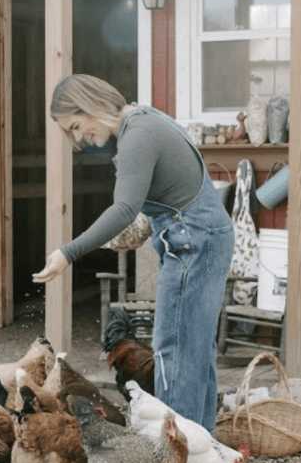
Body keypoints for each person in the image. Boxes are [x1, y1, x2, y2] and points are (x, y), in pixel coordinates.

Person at [33, 74, 234, 431]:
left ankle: (179, 453)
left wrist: (68, 252)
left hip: (193, 241)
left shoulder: (137, 136)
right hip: (205, 235)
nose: (78, 137)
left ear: (92, 104)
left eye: (76, 125)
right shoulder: (146, 117)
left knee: (174, 350)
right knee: (195, 350)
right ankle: (202, 445)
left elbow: (124, 208)